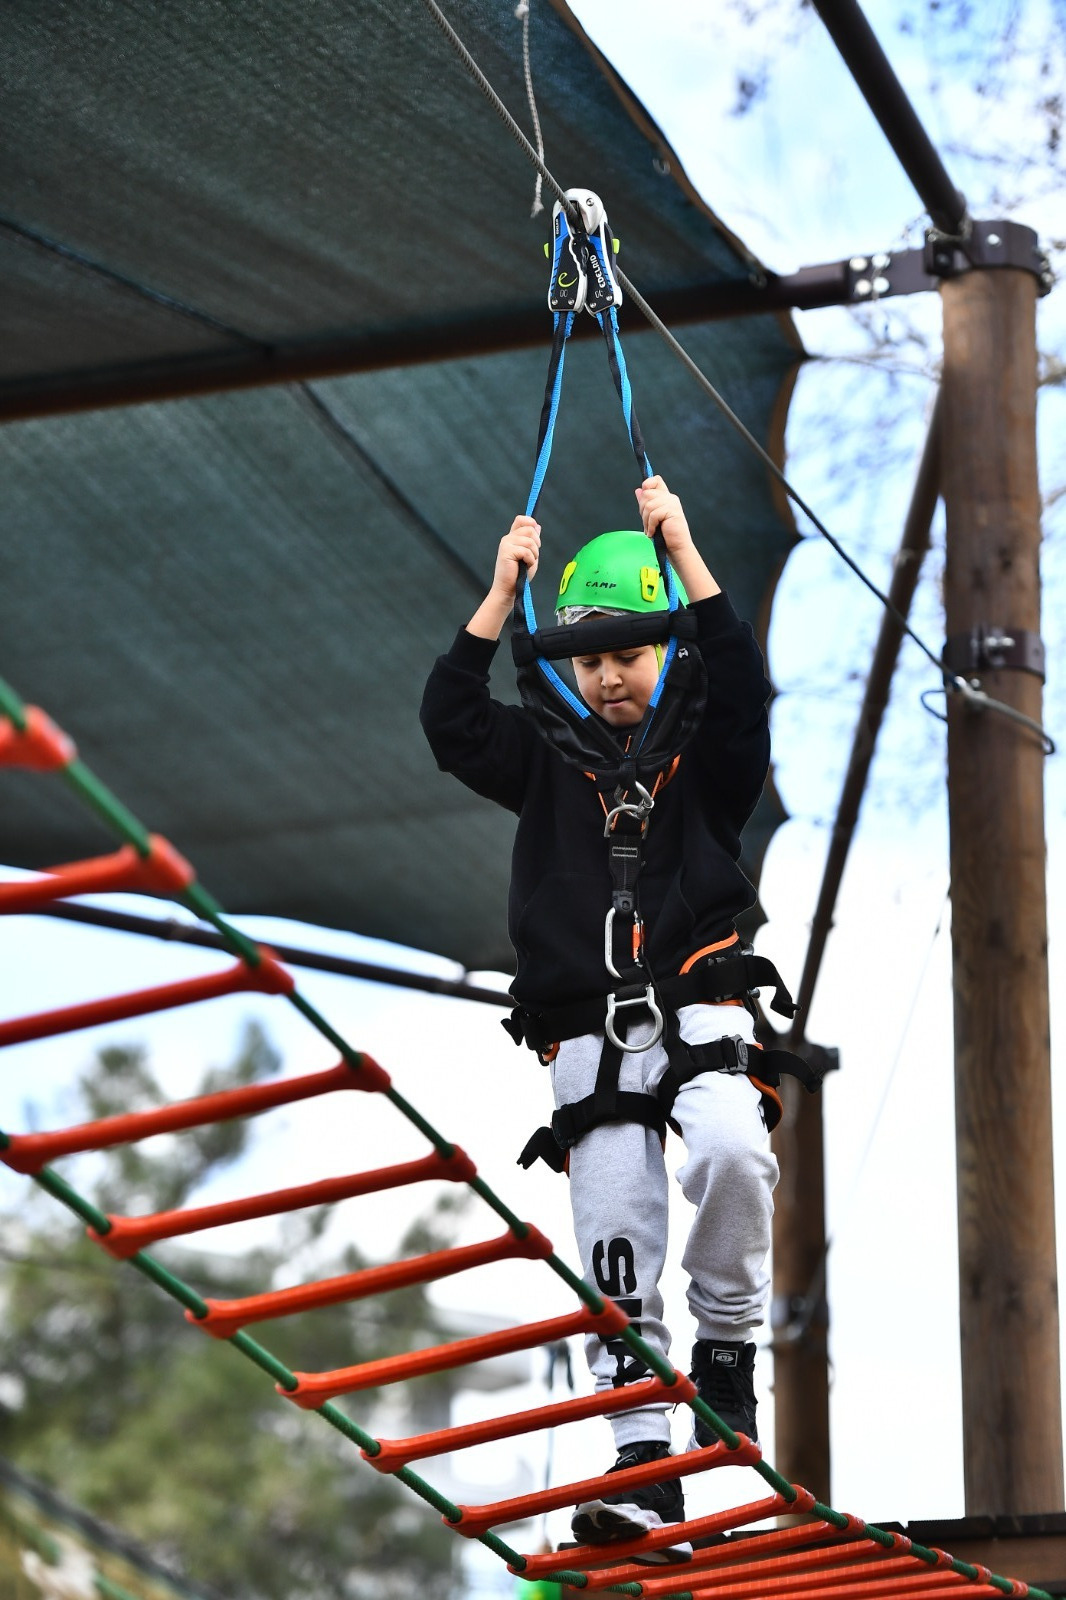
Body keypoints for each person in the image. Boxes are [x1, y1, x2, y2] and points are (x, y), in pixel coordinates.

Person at [420, 476, 779, 1564]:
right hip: (586, 1026)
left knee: (730, 1152)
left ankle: (724, 1350)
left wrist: (685, 549)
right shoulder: (545, 763)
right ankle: (641, 1465)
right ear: (567, 667)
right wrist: (499, 595)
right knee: (614, 1237)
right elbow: (449, 719)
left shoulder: (706, 761)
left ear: (666, 652)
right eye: (590, 658)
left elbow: (747, 686)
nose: (610, 673)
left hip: (700, 1010)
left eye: (629, 651)